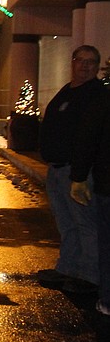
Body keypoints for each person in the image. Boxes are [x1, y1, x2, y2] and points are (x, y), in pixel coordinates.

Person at [39, 45, 107, 293]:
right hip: (57, 169)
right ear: (73, 62)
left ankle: (89, 276)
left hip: (78, 172)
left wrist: (80, 173)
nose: (85, 66)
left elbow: (90, 137)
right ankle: (67, 268)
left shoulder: (97, 95)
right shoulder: (68, 91)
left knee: (84, 223)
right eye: (81, 60)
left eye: (91, 62)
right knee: (65, 221)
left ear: (97, 66)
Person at [69, 66, 110, 316]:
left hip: (107, 185)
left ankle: (107, 299)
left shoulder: (103, 101)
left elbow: (88, 139)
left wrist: (78, 177)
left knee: (106, 242)